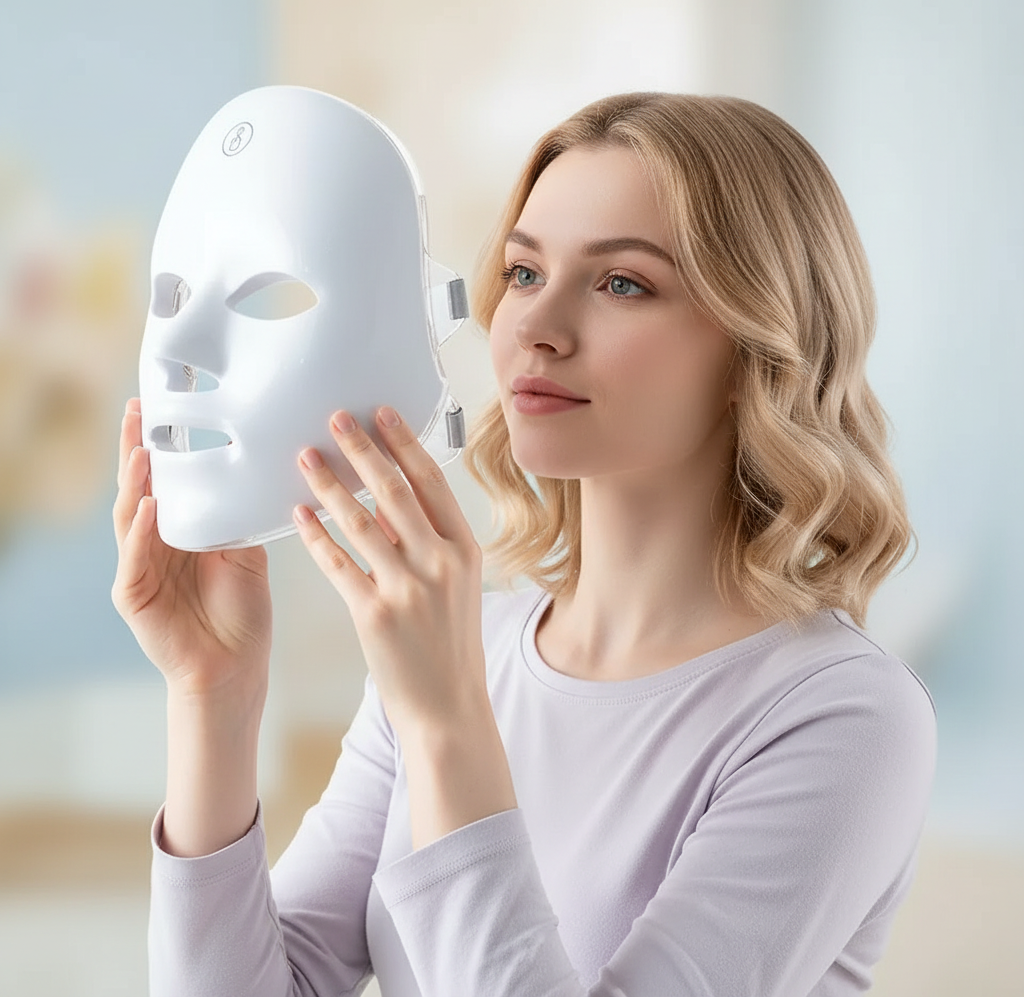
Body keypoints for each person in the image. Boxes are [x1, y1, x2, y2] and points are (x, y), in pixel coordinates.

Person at [112, 92, 937, 997]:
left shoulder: (844, 716)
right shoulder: (468, 651)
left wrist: (446, 716)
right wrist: (214, 698)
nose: (537, 328)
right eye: (523, 273)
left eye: (623, 283)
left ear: (759, 349)